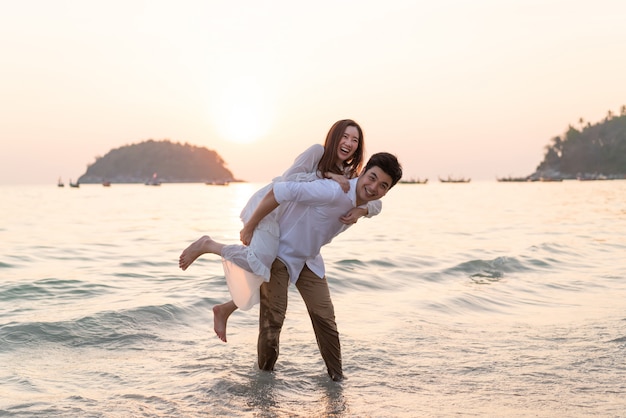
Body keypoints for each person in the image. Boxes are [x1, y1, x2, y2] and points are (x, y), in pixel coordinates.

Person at [179, 120, 382, 341]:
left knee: (265, 273)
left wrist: (361, 211)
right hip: (269, 210)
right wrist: (328, 176)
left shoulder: (350, 175)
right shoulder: (318, 152)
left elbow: (377, 203)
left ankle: (226, 309)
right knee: (262, 260)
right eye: (345, 136)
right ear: (334, 137)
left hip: (286, 224)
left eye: (355, 140)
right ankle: (208, 245)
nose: (349, 143)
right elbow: (288, 180)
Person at [241, 152, 402, 381]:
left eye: (383, 185)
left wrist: (363, 210)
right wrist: (251, 225)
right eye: (372, 177)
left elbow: (377, 206)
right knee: (273, 322)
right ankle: (264, 383)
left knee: (325, 319)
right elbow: (280, 191)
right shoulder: (333, 191)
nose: (373, 187)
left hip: (308, 259)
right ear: (363, 171)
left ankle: (337, 382)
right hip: (281, 253)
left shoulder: (369, 201)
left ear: (387, 191)